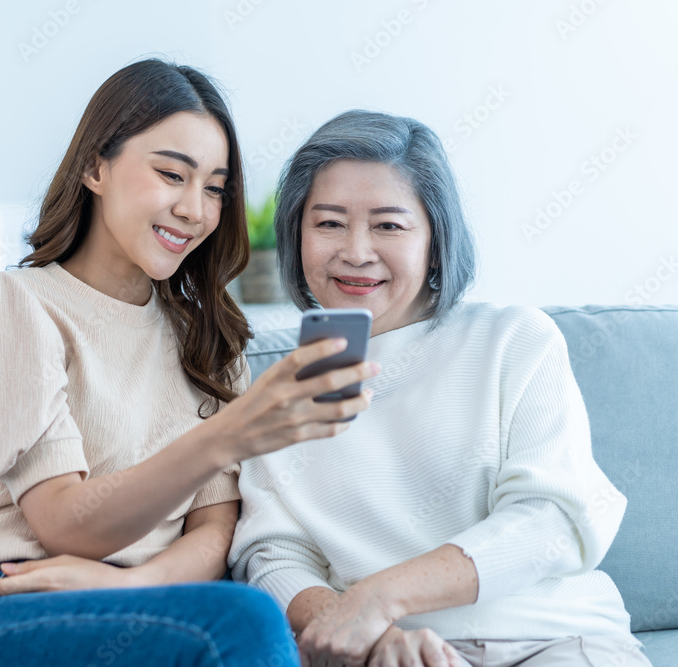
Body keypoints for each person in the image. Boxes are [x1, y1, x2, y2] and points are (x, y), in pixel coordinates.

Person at [0, 60, 380, 666]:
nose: (194, 209)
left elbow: (214, 531)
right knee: (247, 622)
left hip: (144, 608)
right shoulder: (15, 304)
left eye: (214, 188)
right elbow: (65, 525)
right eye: (171, 174)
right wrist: (229, 433)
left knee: (249, 618)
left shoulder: (211, 338)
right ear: (94, 167)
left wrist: (130, 584)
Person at [228, 109, 652, 667]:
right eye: (328, 223)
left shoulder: (514, 340)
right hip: (387, 655)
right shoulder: (276, 386)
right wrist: (367, 634)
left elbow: (555, 516)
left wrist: (380, 597)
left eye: (389, 225)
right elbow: (272, 555)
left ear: (435, 236)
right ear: (296, 233)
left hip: (553, 639)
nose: (356, 251)